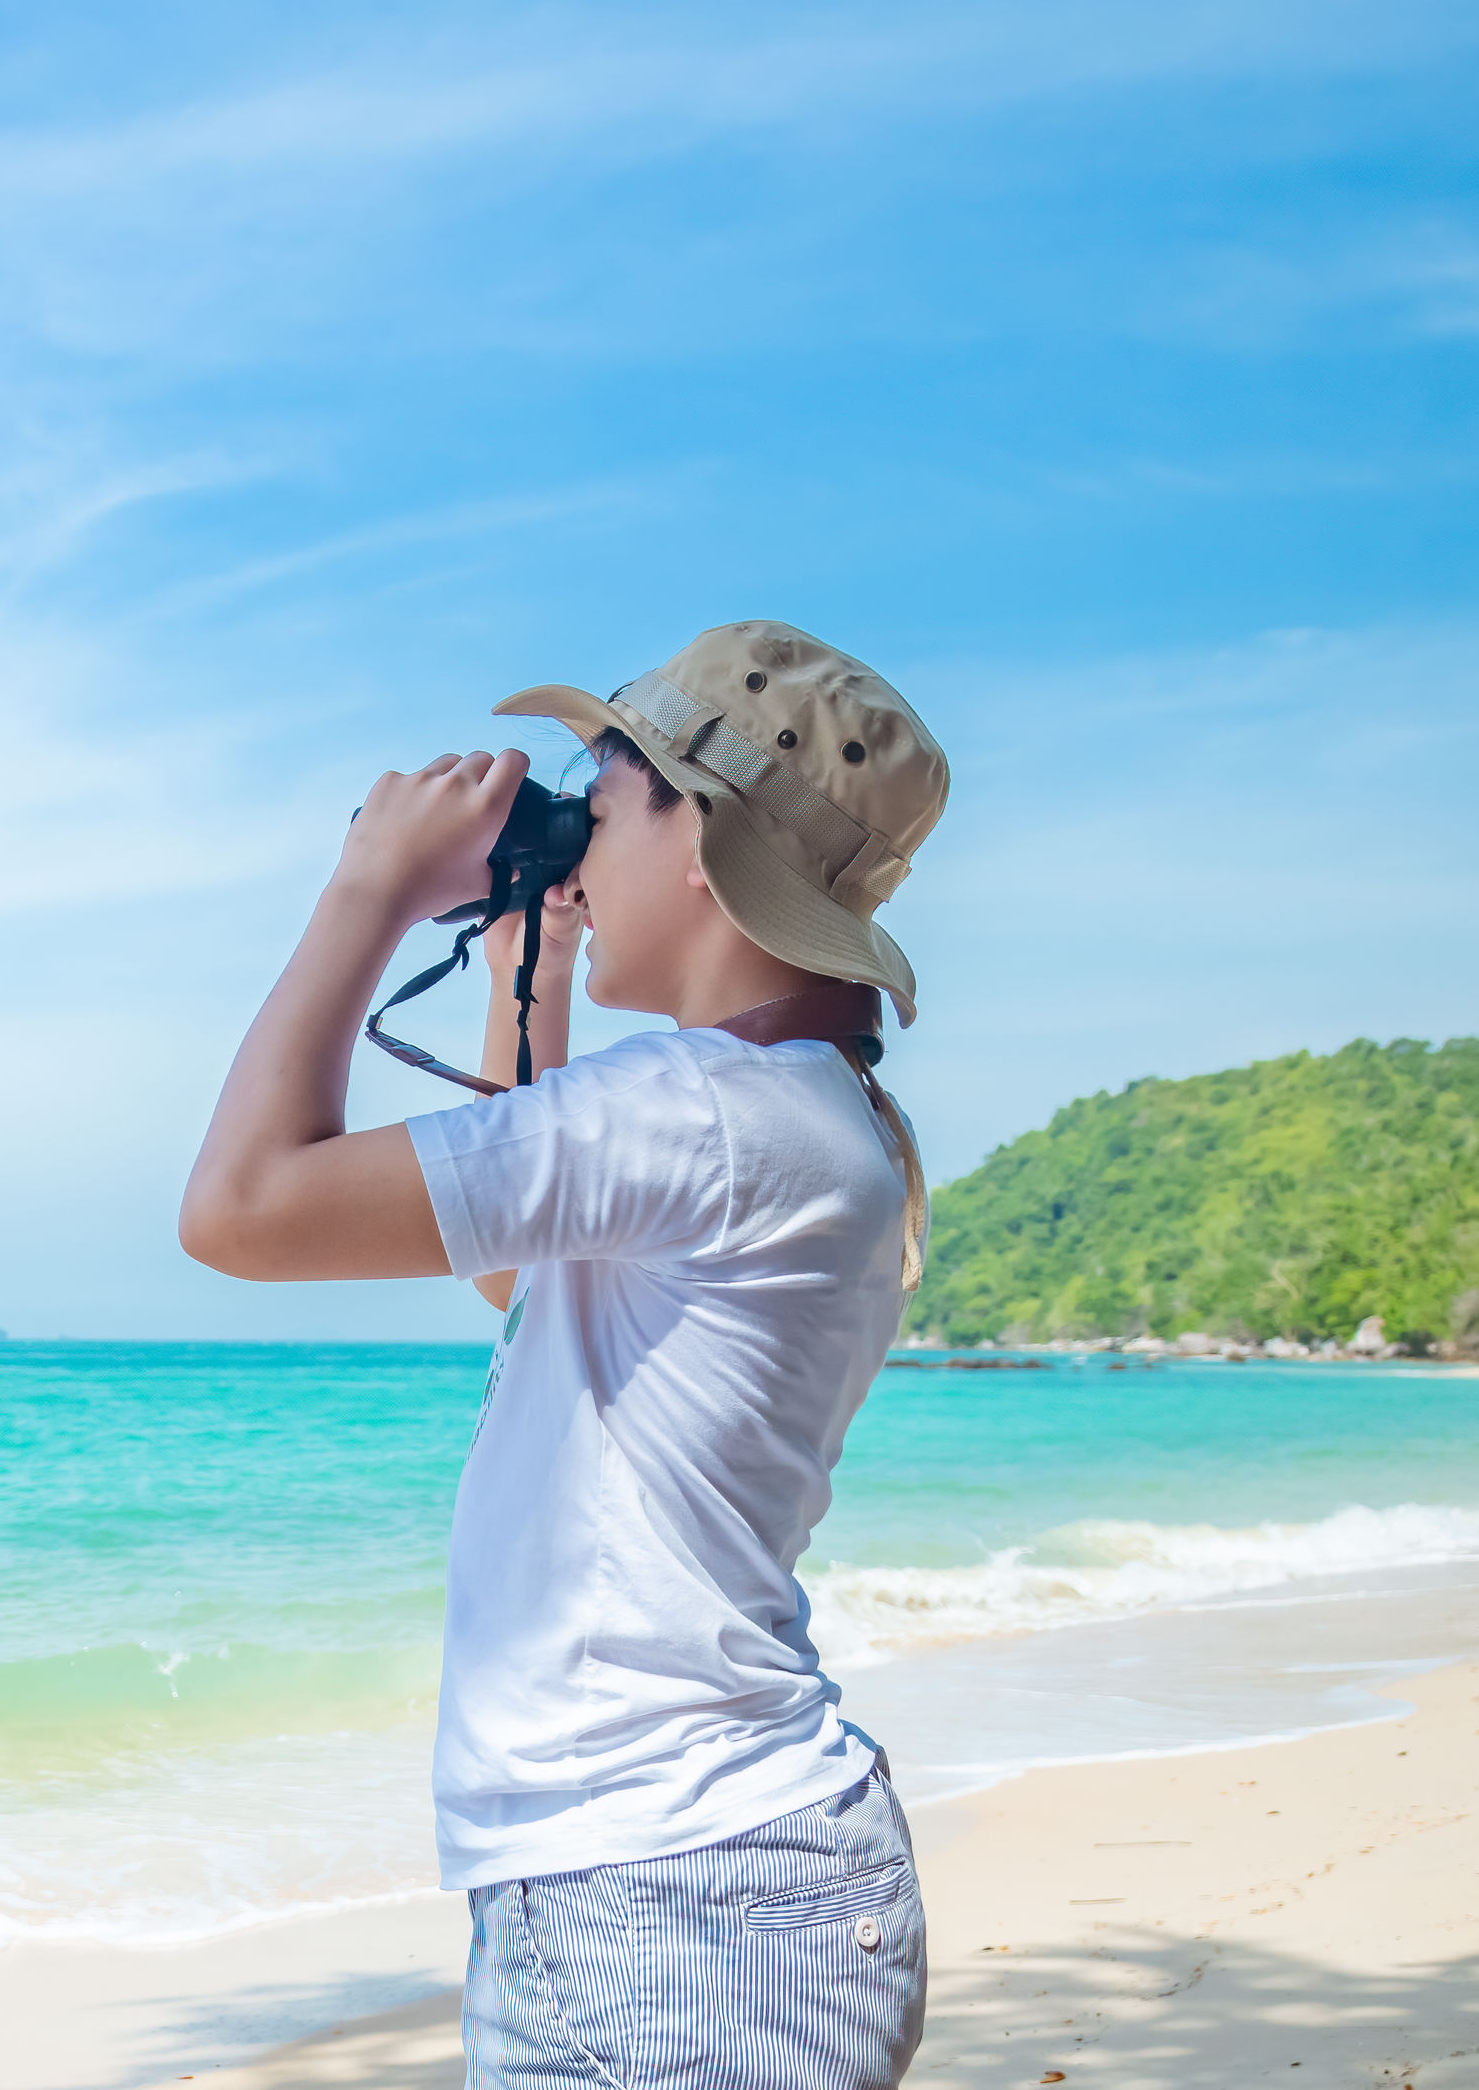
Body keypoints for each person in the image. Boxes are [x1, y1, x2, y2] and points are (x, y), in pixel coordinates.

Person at [179, 620, 949, 2087]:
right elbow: (517, 1274)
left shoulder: (706, 1113)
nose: (573, 838)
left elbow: (243, 1210)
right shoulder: (792, 1112)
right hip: (700, 1882)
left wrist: (370, 891)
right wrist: (532, 951)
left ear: (706, 846)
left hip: (663, 1902)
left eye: (602, 809)